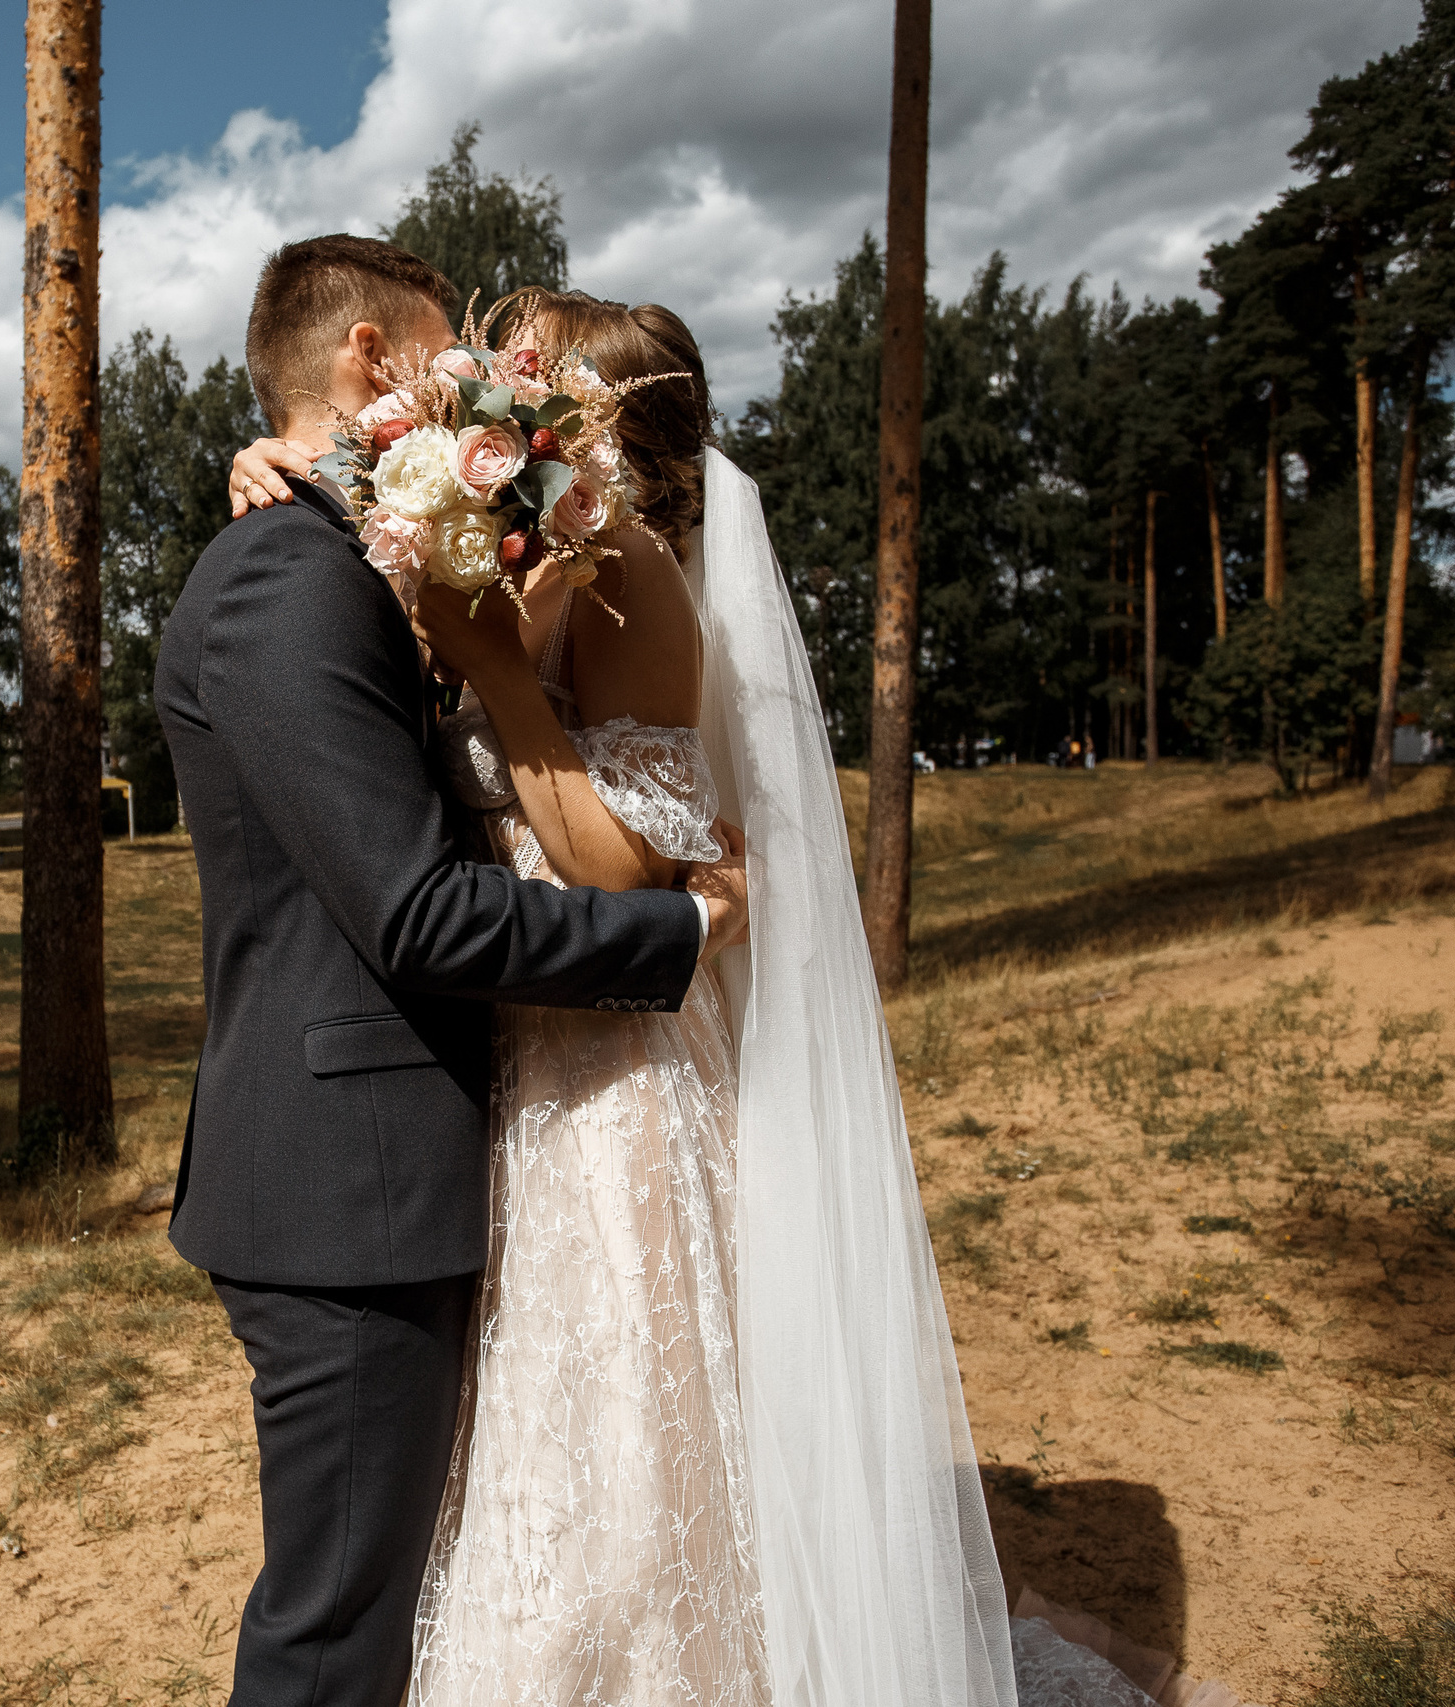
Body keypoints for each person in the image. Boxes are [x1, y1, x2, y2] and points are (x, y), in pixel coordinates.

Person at [223, 288, 1051, 1707]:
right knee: (541, 1438)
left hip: (618, 1076)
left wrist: (500, 682)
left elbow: (628, 863)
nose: (478, 382)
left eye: (513, 376)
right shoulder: (542, 564)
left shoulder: (640, 578)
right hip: (528, 1050)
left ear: (580, 425)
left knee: (625, 1424)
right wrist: (269, 465)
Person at [153, 238, 751, 1707]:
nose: (476, 387)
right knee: (339, 1623)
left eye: (517, 381)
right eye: (453, 355)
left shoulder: (391, 559)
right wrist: (679, 935)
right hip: (349, 1183)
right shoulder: (287, 582)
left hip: (453, 1143)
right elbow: (420, 911)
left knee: (427, 1573)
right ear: (368, 357)